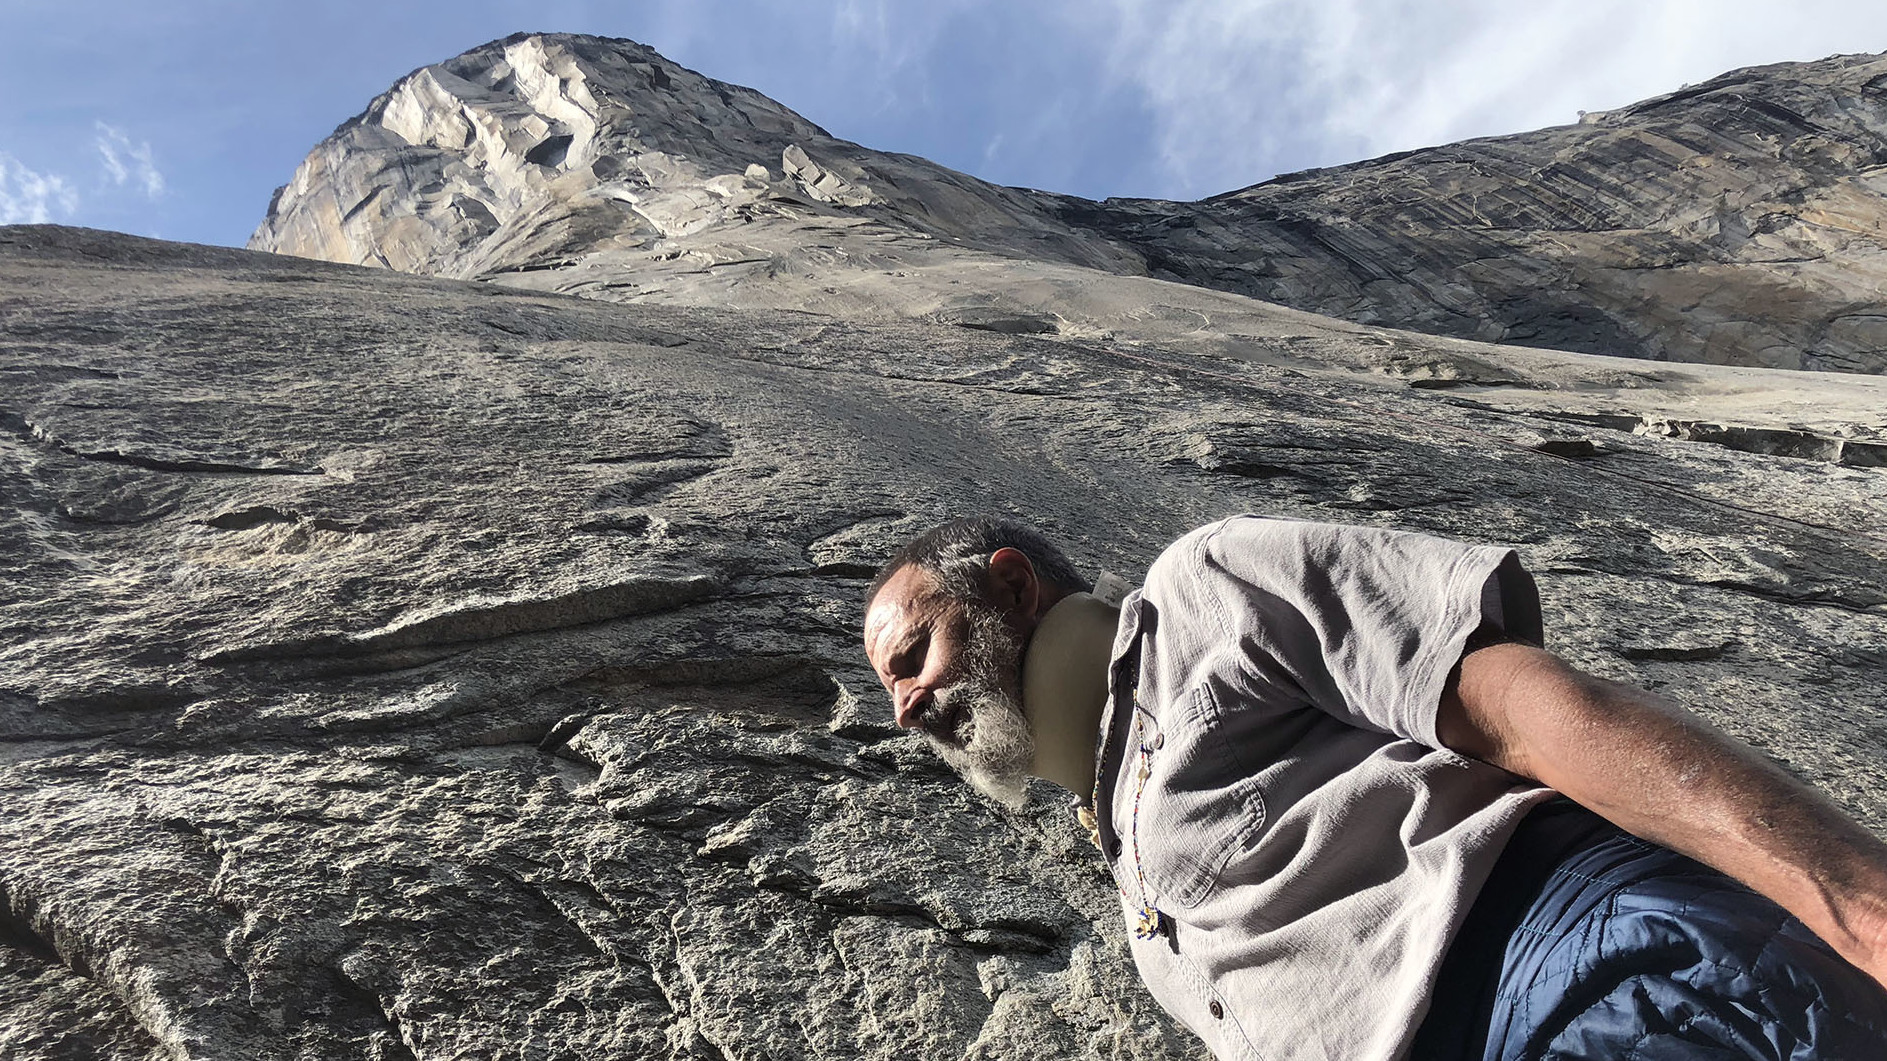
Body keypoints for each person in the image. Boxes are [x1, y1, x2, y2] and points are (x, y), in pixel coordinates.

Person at [861, 514, 1887, 1061]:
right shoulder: (1128, 861)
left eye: (912, 657)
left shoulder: (1201, 589)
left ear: (1012, 585)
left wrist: (1857, 902)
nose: (905, 707)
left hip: (1575, 977)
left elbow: (1526, 710)